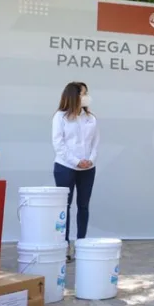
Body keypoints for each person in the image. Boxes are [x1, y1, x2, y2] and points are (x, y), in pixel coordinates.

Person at [52, 82, 99, 261]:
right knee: (65, 206)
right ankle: (64, 245)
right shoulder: (60, 117)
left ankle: (81, 244)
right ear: (74, 96)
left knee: (84, 206)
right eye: (83, 93)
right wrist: (76, 161)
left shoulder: (91, 118)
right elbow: (59, 144)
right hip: (65, 167)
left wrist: (90, 160)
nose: (86, 97)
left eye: (87, 93)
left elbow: (95, 142)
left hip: (88, 168)